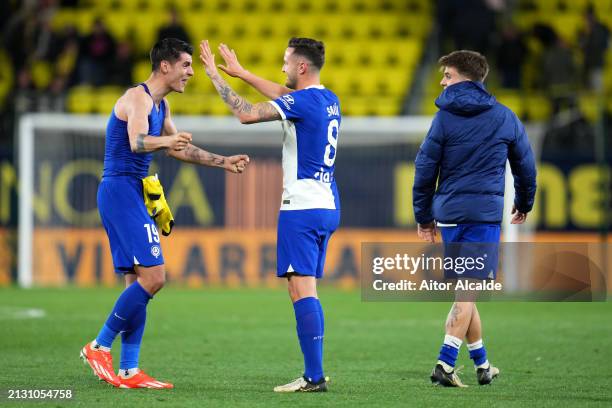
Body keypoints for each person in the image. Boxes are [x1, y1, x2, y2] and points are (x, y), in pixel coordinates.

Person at [80, 38, 250, 389]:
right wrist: (166, 142)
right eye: (186, 65)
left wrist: (224, 161)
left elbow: (179, 149)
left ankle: (128, 370)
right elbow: (137, 142)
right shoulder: (138, 98)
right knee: (155, 278)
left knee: (137, 282)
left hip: (135, 192)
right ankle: (98, 346)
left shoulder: (163, 107)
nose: (190, 73)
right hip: (120, 190)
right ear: (165, 66)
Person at [200, 37, 340, 392]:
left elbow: (246, 113)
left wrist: (216, 76)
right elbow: (281, 91)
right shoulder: (327, 98)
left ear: (302, 67)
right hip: (326, 204)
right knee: (307, 290)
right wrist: (243, 73)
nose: (282, 67)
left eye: (286, 61)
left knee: (301, 290)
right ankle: (314, 371)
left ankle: (314, 376)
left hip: (302, 208)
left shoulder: (304, 102)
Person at [413, 50, 536, 387]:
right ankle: (445, 362)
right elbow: (525, 166)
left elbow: (425, 169)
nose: (442, 81)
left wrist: (424, 216)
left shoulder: (443, 119)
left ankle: (483, 365)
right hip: (482, 217)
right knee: (468, 294)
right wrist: (524, 201)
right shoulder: (504, 117)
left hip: (450, 216)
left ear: (465, 77)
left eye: (447, 75)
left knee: (464, 295)